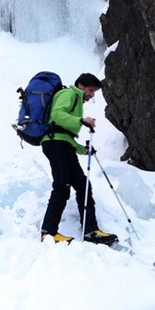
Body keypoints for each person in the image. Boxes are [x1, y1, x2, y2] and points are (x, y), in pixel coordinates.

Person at [39, 73, 118, 245]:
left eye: (94, 91)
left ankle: (90, 230)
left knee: (83, 185)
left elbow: (65, 134)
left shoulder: (76, 99)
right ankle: (48, 233)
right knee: (61, 186)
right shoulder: (69, 94)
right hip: (55, 144)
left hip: (62, 144)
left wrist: (82, 149)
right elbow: (57, 114)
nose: (92, 94)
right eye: (91, 90)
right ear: (81, 85)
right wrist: (81, 120)